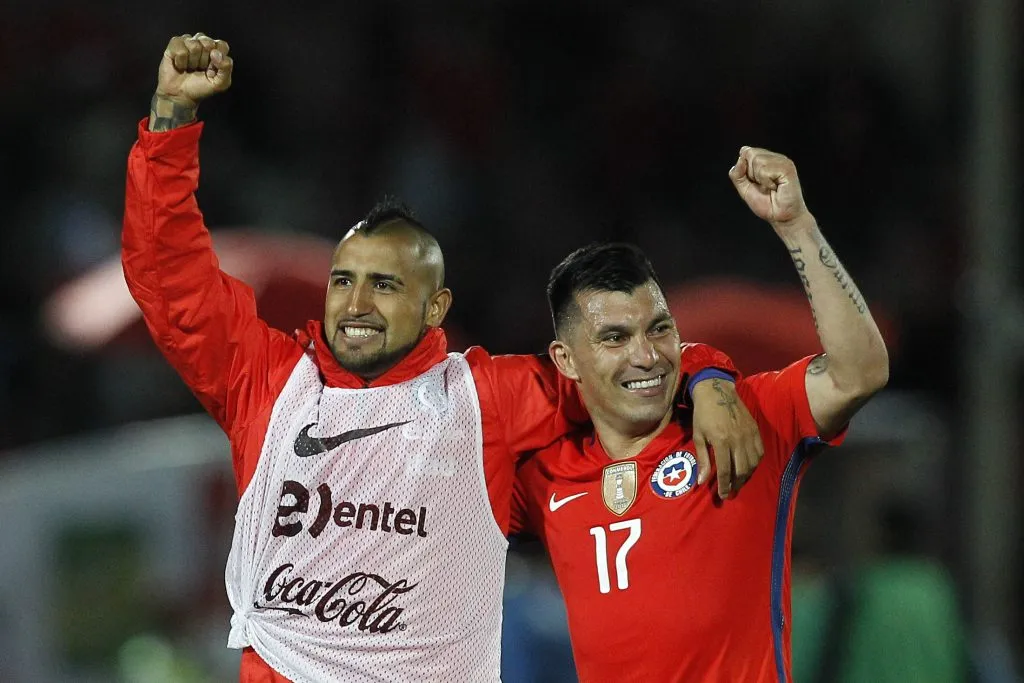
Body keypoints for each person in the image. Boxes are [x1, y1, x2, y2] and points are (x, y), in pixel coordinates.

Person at [122, 33, 763, 682]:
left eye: (386, 284)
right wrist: (171, 117)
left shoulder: (486, 401)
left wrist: (706, 375)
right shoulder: (269, 382)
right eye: (344, 280)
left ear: (436, 307)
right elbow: (167, 277)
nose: (357, 302)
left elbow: (628, 370)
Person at [511, 146, 890, 682]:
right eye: (615, 337)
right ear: (566, 360)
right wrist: (705, 369)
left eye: (659, 329)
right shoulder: (544, 472)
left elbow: (860, 372)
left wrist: (797, 225)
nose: (646, 354)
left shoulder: (747, 421)